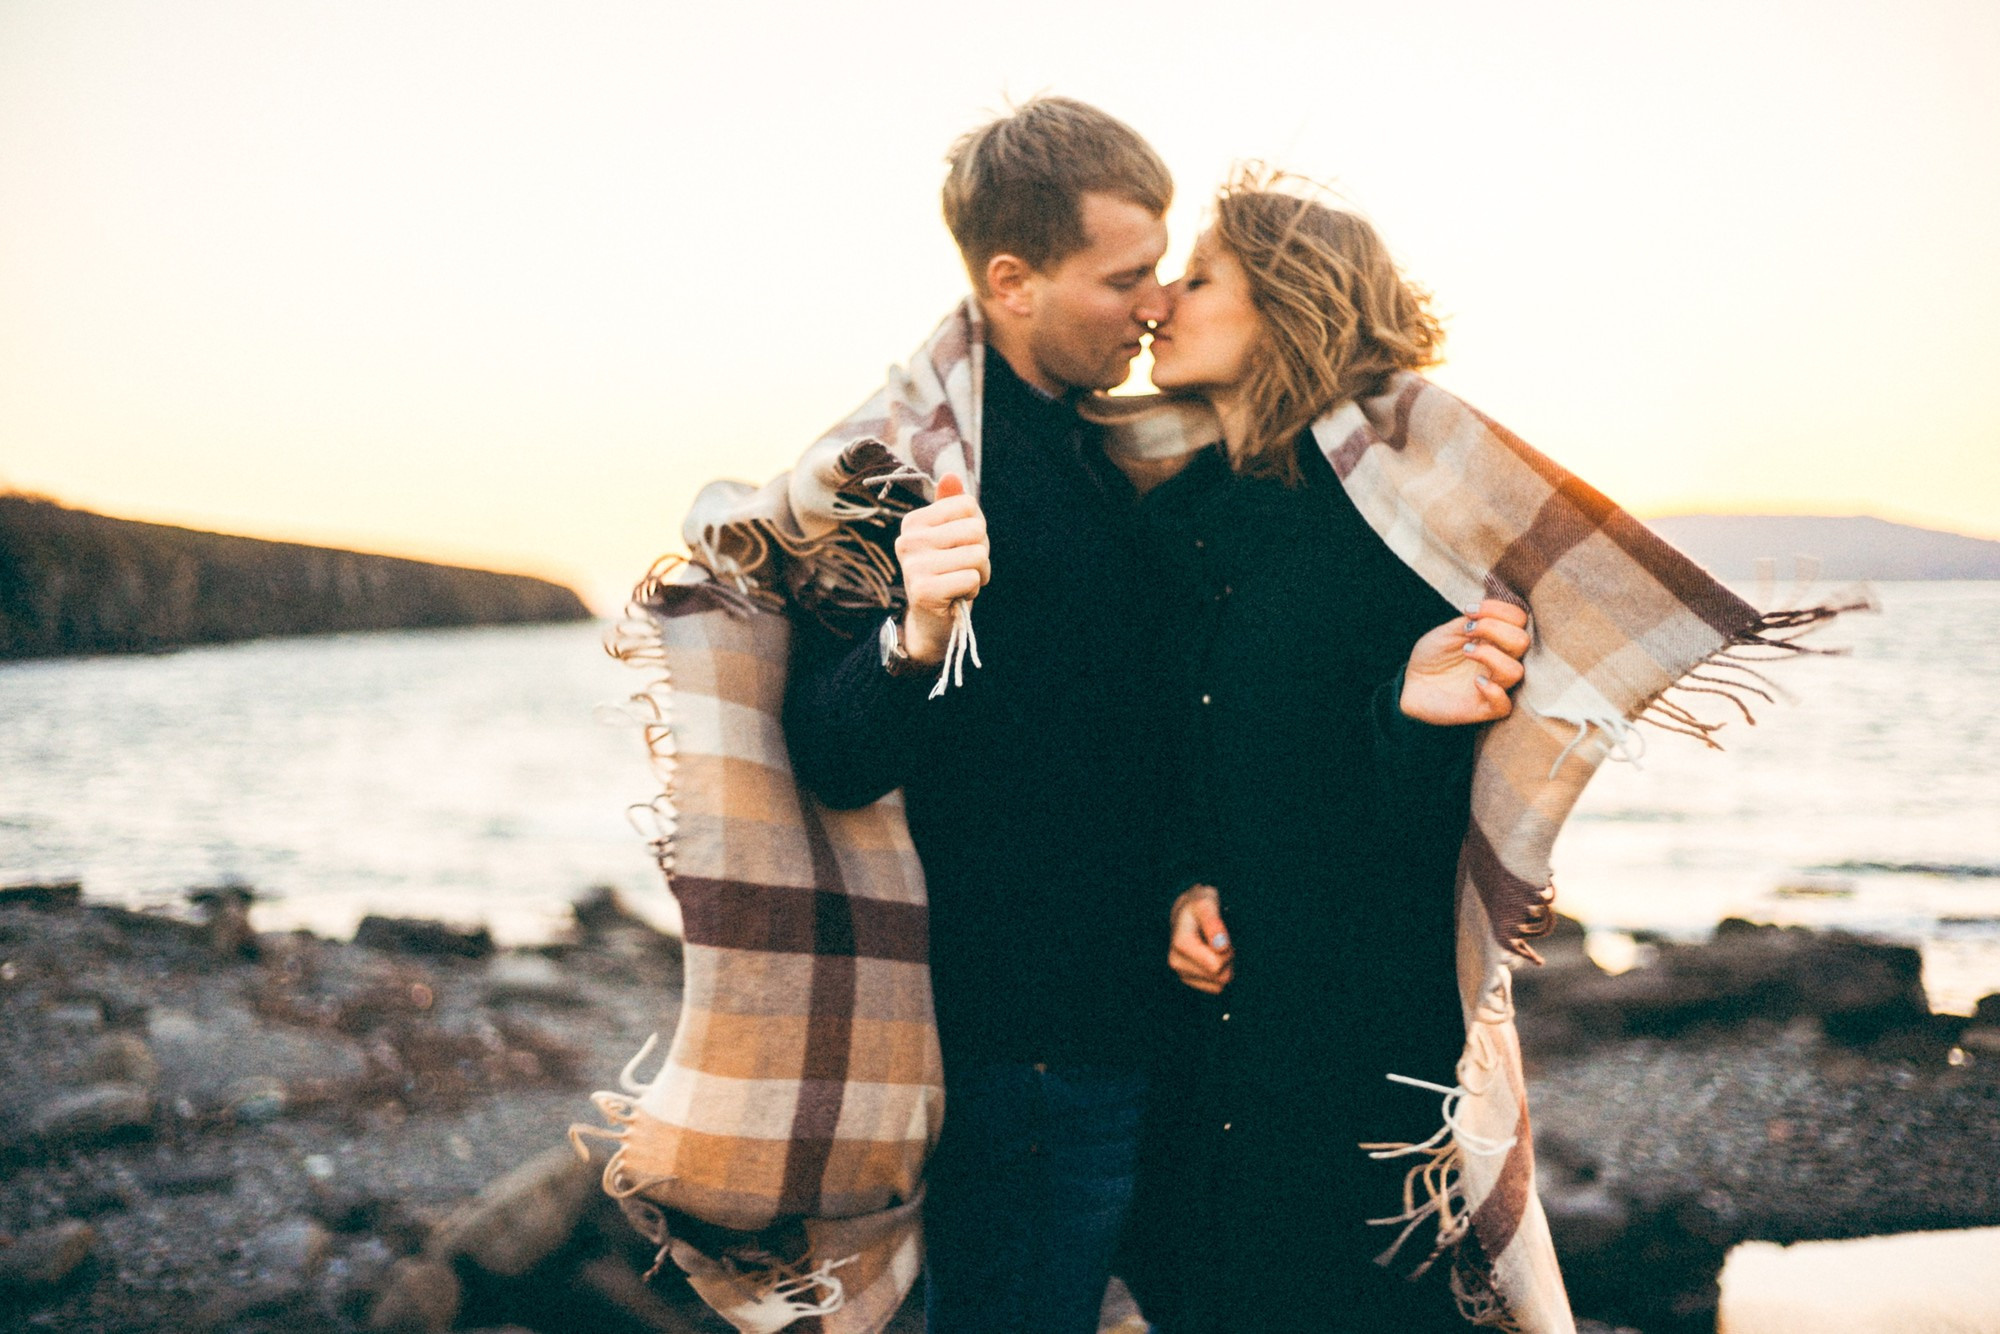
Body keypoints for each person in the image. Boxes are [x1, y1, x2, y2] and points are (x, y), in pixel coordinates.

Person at [780, 97, 1184, 1334]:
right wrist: (914, 631)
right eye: (1124, 278)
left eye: (1161, 268)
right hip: (1025, 1046)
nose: (1157, 303)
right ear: (1010, 281)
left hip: (1140, 1011)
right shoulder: (904, 470)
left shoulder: (1102, 447)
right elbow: (830, 754)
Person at [1118, 173, 1532, 1333]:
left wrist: (1403, 715)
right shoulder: (1166, 521)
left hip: (1358, 1047)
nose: (1158, 302)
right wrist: (1177, 886)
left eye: (1197, 277)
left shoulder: (1402, 526)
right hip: (1199, 1046)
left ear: (1285, 306)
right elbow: (1159, 760)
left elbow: (1445, 826)